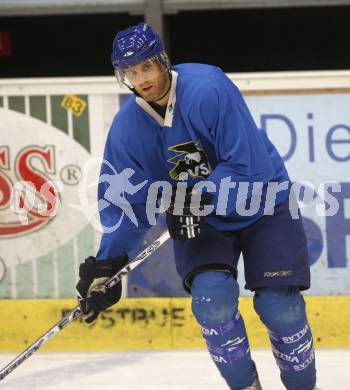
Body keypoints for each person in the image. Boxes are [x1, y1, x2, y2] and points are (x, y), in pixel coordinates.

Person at [76, 23, 318, 390]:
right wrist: (109, 262)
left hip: (264, 199)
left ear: (162, 62)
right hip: (200, 219)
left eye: (146, 67)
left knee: (280, 308)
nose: (141, 79)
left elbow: (248, 166)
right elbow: (128, 205)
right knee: (212, 302)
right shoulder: (127, 130)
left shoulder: (209, 88)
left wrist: (198, 196)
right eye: (131, 72)